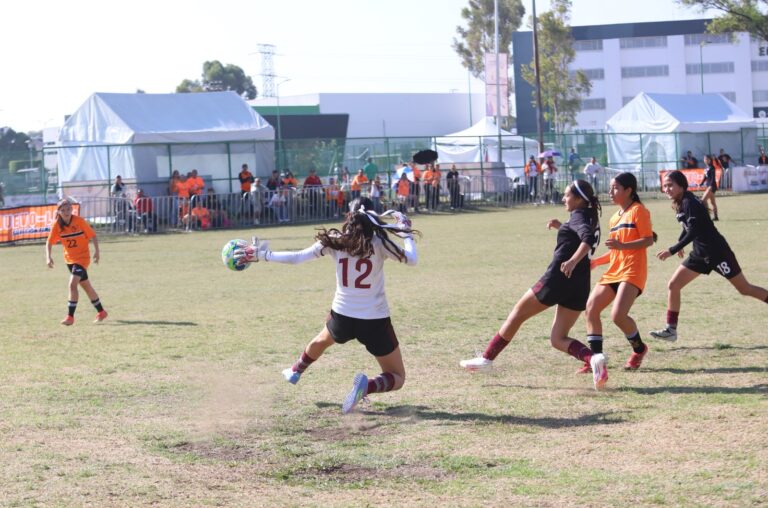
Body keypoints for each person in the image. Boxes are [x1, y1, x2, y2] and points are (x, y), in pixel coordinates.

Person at [233, 197, 419, 414]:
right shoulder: (380, 242)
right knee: (397, 377)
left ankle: (295, 371)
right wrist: (406, 234)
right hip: (374, 319)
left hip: (342, 315)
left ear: (348, 216)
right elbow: (412, 259)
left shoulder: (335, 240)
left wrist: (262, 254)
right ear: (374, 216)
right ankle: (367, 386)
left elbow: (298, 257)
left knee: (321, 340)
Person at [459, 181, 604, 387]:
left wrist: (572, 260)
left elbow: (586, 239)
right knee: (558, 339)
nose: (563, 199)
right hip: (579, 285)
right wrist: (562, 227)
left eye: (567, 195)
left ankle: (487, 359)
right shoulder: (590, 215)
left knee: (517, 315)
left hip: (557, 279)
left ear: (579, 199)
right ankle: (594, 359)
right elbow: (580, 233)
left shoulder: (579, 216)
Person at [649, 170, 768, 342]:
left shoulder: (690, 202)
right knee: (673, 285)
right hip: (700, 254)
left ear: (681, 185)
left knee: (744, 288)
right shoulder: (681, 202)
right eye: (664, 186)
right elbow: (687, 228)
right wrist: (680, 241)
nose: (666, 189)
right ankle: (671, 329)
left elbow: (695, 230)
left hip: (717, 253)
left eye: (670, 185)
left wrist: (673, 249)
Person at [583, 172, 655, 383]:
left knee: (618, 316)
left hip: (632, 270)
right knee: (591, 308)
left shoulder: (639, 211)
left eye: (615, 188)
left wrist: (623, 246)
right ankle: (596, 360)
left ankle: (639, 349)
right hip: (614, 270)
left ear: (628, 190)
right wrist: (597, 261)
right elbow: (615, 250)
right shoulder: (614, 218)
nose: (610, 191)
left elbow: (648, 240)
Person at [45, 199, 108, 325]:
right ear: (58, 212)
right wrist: (48, 257)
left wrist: (97, 251)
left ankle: (70, 317)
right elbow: (49, 242)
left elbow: (92, 235)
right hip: (69, 260)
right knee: (86, 286)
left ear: (71, 209)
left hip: (83, 258)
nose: (66, 212)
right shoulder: (57, 225)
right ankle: (101, 312)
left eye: (68, 209)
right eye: (63, 210)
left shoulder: (79, 221)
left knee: (72, 285)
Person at [700, 154, 719, 221]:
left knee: (703, 200)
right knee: (712, 202)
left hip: (712, 186)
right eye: (704, 159)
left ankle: (707, 216)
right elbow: (705, 177)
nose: (705, 160)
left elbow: (713, 178)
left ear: (710, 160)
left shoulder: (712, 167)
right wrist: (701, 183)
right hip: (709, 186)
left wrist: (710, 186)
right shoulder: (706, 168)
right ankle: (716, 217)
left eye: (707, 159)